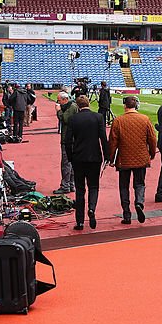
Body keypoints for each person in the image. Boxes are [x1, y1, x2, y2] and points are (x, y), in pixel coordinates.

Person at [107, 95, 157, 224]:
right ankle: (139, 202)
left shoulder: (118, 121)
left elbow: (112, 142)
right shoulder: (145, 119)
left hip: (124, 159)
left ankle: (127, 214)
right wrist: (152, 153)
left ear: (125, 106)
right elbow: (152, 139)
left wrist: (110, 158)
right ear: (136, 106)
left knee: (124, 186)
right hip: (141, 158)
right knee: (139, 184)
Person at [66, 95, 109, 230]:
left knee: (80, 190)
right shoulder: (98, 117)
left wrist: (70, 157)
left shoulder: (73, 119)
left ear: (78, 106)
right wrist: (107, 156)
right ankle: (91, 208)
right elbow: (103, 138)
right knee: (94, 186)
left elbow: (68, 141)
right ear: (88, 103)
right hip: (94, 157)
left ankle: (79, 221)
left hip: (78, 158)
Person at [54, 92, 78, 195]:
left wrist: (59, 111)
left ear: (64, 99)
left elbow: (65, 119)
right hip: (71, 139)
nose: (58, 103)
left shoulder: (72, 107)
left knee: (66, 163)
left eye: (59, 101)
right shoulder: (72, 106)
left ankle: (65, 185)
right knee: (71, 163)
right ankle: (70, 184)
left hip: (68, 139)